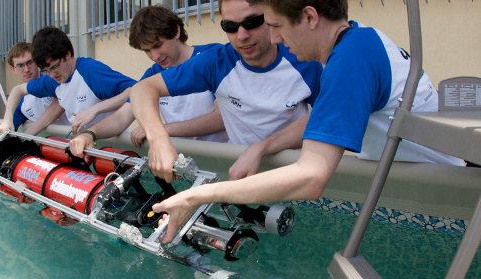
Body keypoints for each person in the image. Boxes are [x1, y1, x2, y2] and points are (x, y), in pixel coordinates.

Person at [142, 0, 464, 243]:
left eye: (277, 25)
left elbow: (311, 177)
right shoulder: (358, 40)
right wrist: (261, 146)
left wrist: (196, 196)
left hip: (458, 203)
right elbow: (322, 120)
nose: (276, 38)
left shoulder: (350, 61)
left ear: (310, 17)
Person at [129, 0, 322, 182]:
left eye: (252, 22)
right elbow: (142, 89)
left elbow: (328, 114)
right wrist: (159, 139)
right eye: (230, 27)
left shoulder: (302, 58)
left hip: (293, 172)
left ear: (271, 18)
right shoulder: (217, 62)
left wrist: (262, 148)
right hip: (241, 172)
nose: (242, 35)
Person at [69, 6, 227, 157]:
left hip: (226, 158)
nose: (155, 56)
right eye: (147, 50)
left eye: (158, 45)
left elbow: (222, 118)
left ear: (176, 31)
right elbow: (122, 117)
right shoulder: (152, 74)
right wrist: (90, 134)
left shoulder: (213, 57)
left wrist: (159, 130)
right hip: (183, 160)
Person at [0, 27, 136, 135]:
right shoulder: (53, 81)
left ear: (68, 54)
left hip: (115, 148)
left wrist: (95, 110)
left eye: (55, 67)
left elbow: (137, 89)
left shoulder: (90, 71)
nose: (52, 74)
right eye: (46, 70)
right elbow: (18, 90)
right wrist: (7, 119)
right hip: (85, 146)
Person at [6, 42, 68, 135]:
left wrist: (28, 134)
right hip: (57, 146)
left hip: (87, 142)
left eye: (30, 62)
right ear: (12, 69)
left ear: (37, 62)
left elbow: (60, 103)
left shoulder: (53, 79)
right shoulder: (21, 103)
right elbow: (9, 128)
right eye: (20, 65)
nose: (26, 70)